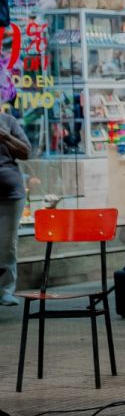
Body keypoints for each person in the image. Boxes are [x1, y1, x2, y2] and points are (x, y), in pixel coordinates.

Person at [0, 109, 30, 306]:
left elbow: (26, 152)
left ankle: (5, 290)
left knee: (7, 245)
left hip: (10, 194)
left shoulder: (8, 121)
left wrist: (5, 136)